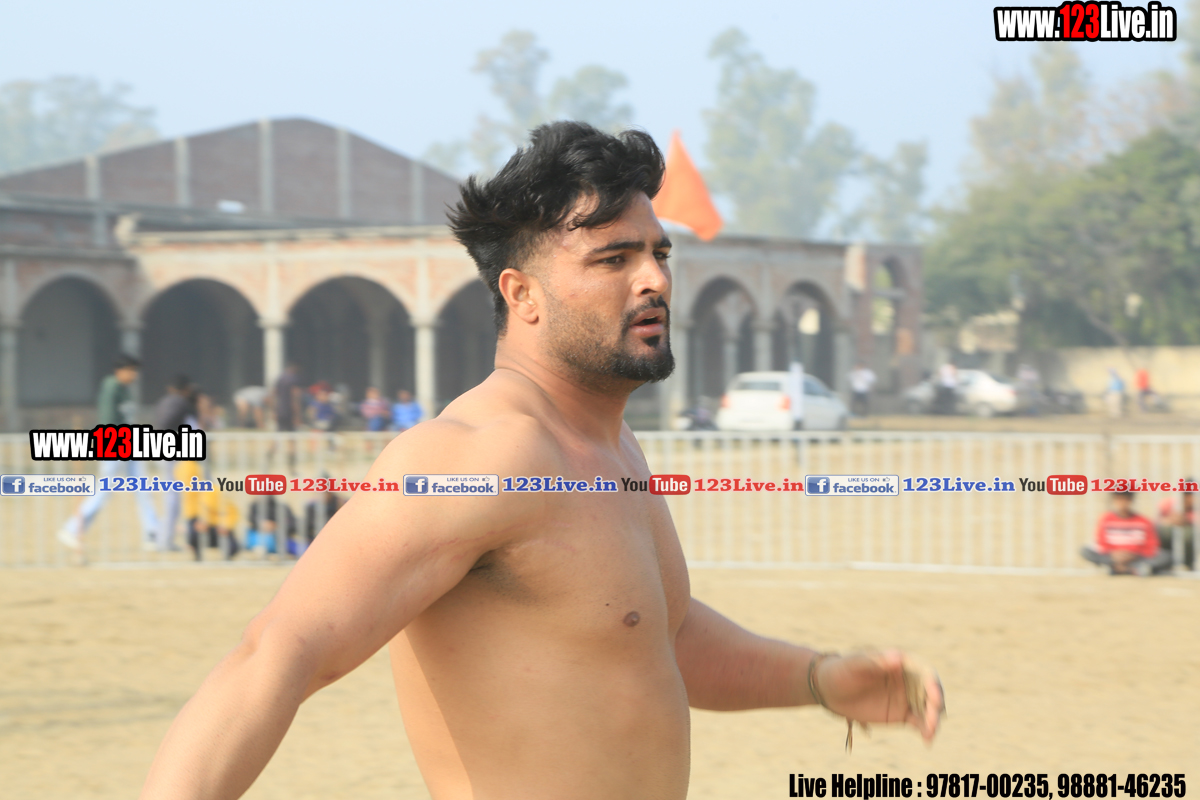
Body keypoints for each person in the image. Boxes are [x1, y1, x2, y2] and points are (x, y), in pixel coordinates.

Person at [140, 121, 943, 800]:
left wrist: (817, 679)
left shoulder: (610, 445)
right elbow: (277, 654)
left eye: (659, 253)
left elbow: (652, 637)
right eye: (613, 259)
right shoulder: (479, 454)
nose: (654, 280)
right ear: (522, 295)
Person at [58, 354, 159, 556]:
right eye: (131, 371)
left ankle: (153, 533)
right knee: (104, 490)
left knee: (142, 487)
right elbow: (108, 420)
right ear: (120, 370)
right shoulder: (111, 387)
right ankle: (72, 528)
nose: (134, 375)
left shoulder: (126, 390)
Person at [1081, 491, 1171, 576]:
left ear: (1131, 500)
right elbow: (1101, 542)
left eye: (1125, 499)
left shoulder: (1143, 521)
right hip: (1113, 556)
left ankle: (1123, 568)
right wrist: (1114, 554)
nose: (1122, 503)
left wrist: (1134, 554)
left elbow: (1151, 545)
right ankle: (1129, 568)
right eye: (1119, 499)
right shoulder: (1105, 519)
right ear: (1113, 500)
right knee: (1085, 550)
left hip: (1137, 557)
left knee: (1165, 556)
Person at [153, 375, 195, 552]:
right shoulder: (183, 404)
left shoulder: (163, 402)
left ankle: (164, 539)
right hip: (171, 451)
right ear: (186, 389)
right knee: (173, 498)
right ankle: (165, 541)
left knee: (170, 496)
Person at [1157, 481, 1196, 570]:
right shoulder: (1168, 503)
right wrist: (1169, 520)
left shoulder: (1196, 508)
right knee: (1162, 531)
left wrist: (1186, 520)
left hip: (1188, 538)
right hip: (1169, 535)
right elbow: (1157, 521)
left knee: (1189, 535)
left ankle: (1188, 563)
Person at [271, 363, 304, 432]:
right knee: (291, 432)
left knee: (280, 431)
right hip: (290, 410)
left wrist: (274, 411)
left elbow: (274, 394)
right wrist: (297, 415)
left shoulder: (280, 378)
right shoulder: (294, 379)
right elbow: (295, 396)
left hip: (280, 409)